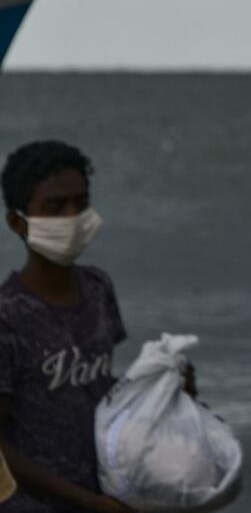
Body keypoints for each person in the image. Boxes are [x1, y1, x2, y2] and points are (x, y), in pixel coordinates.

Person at [0, 141, 134, 513]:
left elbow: (96, 385)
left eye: (81, 202)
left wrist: (164, 388)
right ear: (17, 222)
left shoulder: (97, 288)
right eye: (55, 207)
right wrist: (86, 501)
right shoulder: (8, 316)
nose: (72, 217)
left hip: (100, 492)